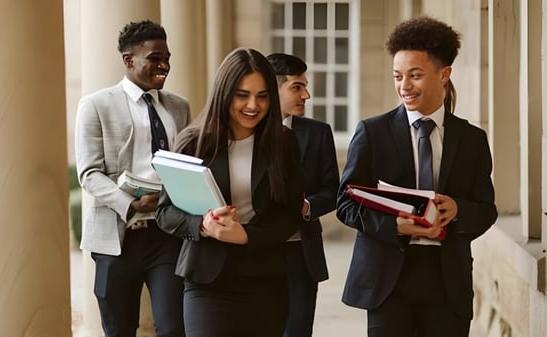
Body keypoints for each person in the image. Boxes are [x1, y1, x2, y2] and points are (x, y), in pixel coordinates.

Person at [336, 16, 498, 337]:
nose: (404, 86)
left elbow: (486, 209)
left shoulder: (472, 139)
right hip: (387, 280)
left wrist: (458, 210)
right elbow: (345, 204)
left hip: (446, 282)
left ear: (444, 74)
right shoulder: (372, 132)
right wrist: (394, 225)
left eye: (415, 75)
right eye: (397, 76)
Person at [155, 48, 305, 337]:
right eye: (242, 94)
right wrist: (203, 225)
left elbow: (290, 214)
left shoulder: (284, 143)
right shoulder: (192, 143)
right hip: (207, 283)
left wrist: (247, 235)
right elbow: (165, 213)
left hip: (266, 281)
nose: (253, 105)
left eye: (262, 95)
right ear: (224, 93)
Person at [75, 19, 190, 337]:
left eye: (167, 57)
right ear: (129, 60)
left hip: (166, 233)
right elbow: (89, 173)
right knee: (120, 329)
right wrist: (131, 204)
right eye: (155, 58)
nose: (164, 65)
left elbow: (185, 165)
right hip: (117, 237)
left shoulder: (179, 107)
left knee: (173, 327)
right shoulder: (95, 105)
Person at [266, 53, 339, 337]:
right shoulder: (245, 132)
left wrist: (307, 206)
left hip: (301, 254)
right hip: (255, 253)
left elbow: (334, 190)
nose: (306, 95)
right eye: (297, 87)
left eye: (305, 86)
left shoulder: (319, 133)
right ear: (273, 88)